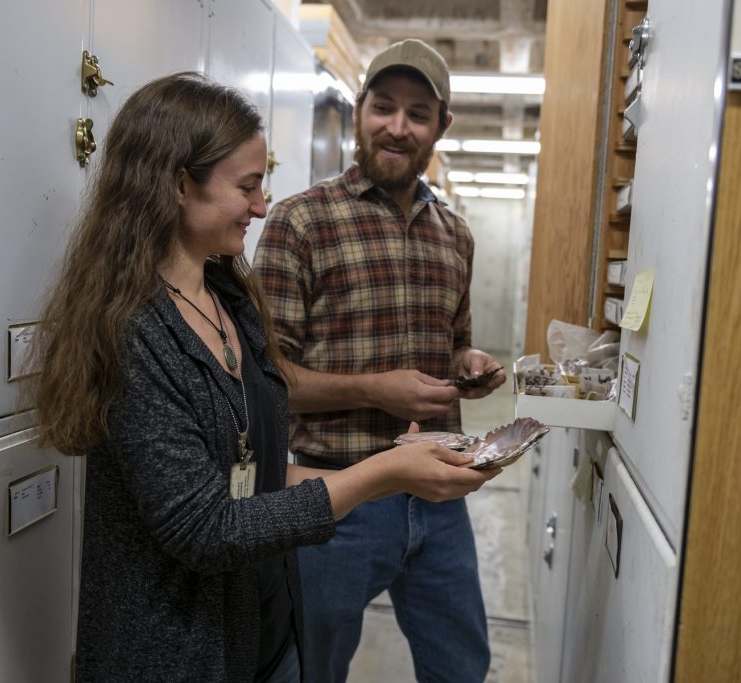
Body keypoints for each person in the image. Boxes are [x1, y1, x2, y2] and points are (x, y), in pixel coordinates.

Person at [25, 72, 500, 683]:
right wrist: (381, 472)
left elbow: (250, 468)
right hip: (175, 651)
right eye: (248, 186)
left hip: (256, 625)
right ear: (176, 185)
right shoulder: (136, 332)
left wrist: (398, 471)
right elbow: (205, 526)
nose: (261, 204)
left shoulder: (227, 293)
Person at [253, 39, 507, 683]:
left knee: (461, 668)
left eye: (418, 113)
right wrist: (377, 391)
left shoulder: (455, 234)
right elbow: (266, 382)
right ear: (360, 108)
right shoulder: (299, 223)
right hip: (334, 500)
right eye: (384, 107)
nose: (398, 126)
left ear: (440, 127)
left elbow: (453, 345)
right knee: (311, 668)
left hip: (440, 492)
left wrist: (467, 363)